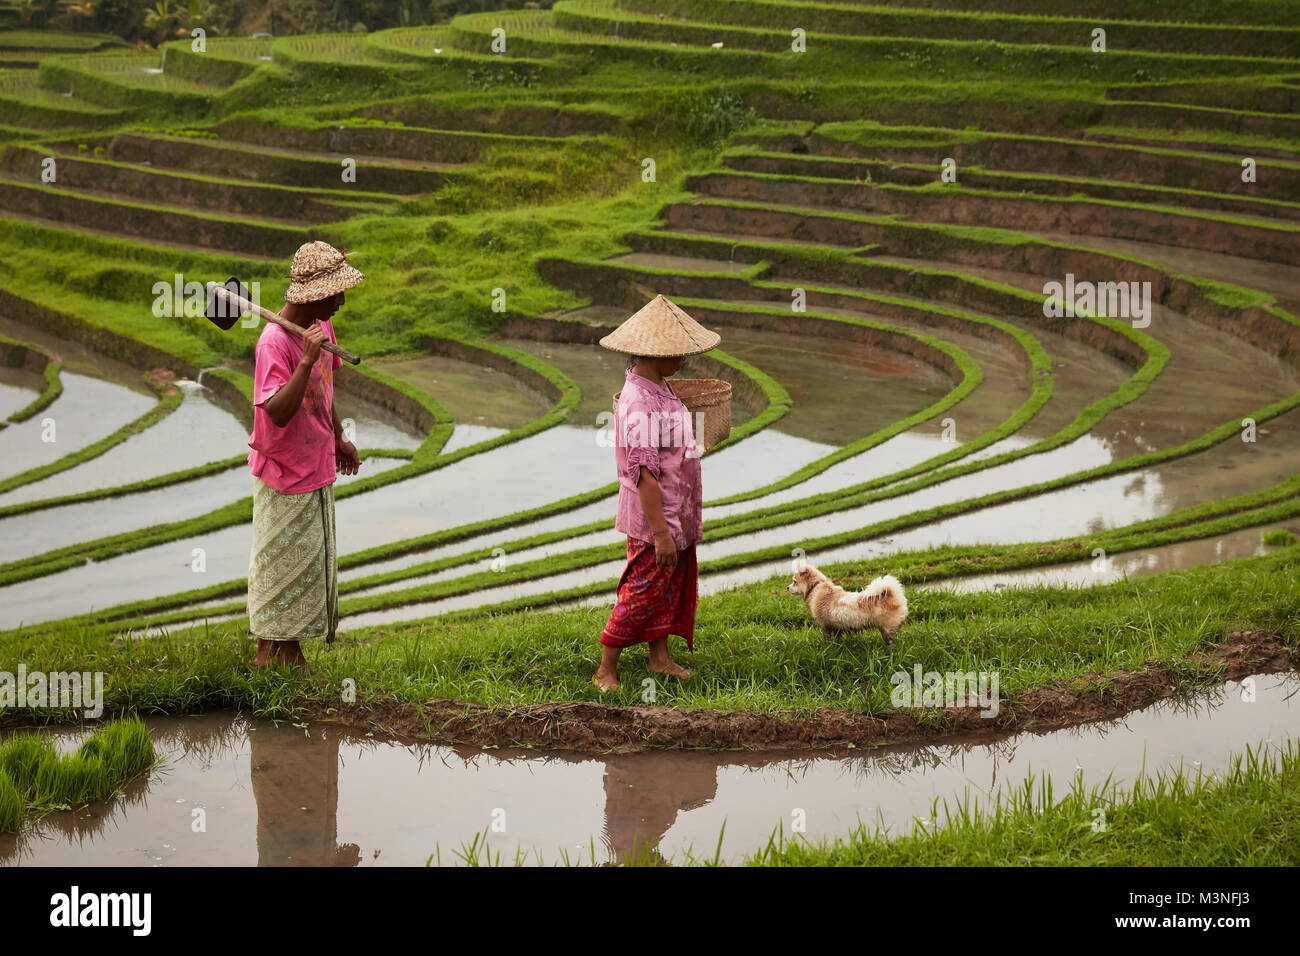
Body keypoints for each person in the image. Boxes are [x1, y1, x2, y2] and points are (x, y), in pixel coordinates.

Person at [593, 294, 721, 692]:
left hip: (675, 510)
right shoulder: (638, 403)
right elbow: (643, 474)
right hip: (656, 518)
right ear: (655, 353)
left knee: (668, 585)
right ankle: (605, 669)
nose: (684, 359)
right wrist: (662, 533)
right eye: (677, 353)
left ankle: (659, 658)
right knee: (643, 588)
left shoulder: (659, 385)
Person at [247, 241, 363, 669]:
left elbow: (324, 391)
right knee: (280, 569)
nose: (342, 301)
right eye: (336, 293)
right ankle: (276, 655)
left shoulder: (320, 329)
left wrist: (338, 439)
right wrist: (304, 361)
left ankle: (281, 654)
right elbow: (276, 412)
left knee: (309, 567)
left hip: (316, 464)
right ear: (315, 295)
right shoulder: (274, 344)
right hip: (284, 471)